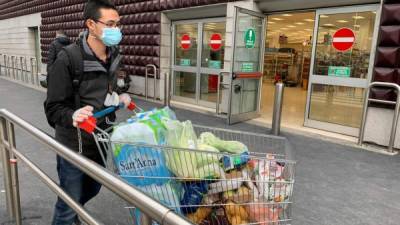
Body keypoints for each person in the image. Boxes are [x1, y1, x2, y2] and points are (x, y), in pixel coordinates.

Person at [44, 0, 130, 224]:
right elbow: (53, 108)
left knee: (91, 189)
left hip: (100, 140)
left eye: (118, 24)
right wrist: (72, 115)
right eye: (110, 24)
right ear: (91, 24)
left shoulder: (114, 54)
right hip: (74, 144)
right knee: (68, 201)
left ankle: (75, 214)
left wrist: (119, 94)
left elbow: (113, 84)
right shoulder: (68, 58)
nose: (116, 30)